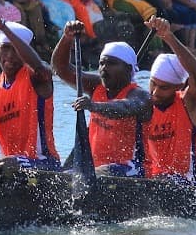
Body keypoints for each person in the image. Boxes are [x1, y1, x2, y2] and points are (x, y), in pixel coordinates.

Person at [52, 28, 149, 176]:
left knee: (86, 175)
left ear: (128, 69)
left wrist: (93, 106)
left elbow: (124, 108)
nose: (104, 68)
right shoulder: (96, 86)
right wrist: (67, 37)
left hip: (130, 167)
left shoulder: (140, 95)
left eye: (111, 63)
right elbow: (61, 69)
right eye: (102, 63)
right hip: (97, 169)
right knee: (63, 177)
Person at [0, 10, 58, 169]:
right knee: (0, 163)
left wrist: (2, 26)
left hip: (45, 163)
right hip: (9, 164)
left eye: (16, 49)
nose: (10, 56)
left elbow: (41, 68)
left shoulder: (36, 78)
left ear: (25, 52)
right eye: (5, 48)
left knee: (5, 163)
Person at [139, 17, 196, 182]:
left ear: (179, 87)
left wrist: (168, 37)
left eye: (164, 88)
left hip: (186, 184)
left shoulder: (188, 103)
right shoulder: (141, 106)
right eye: (153, 84)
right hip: (152, 184)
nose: (155, 92)